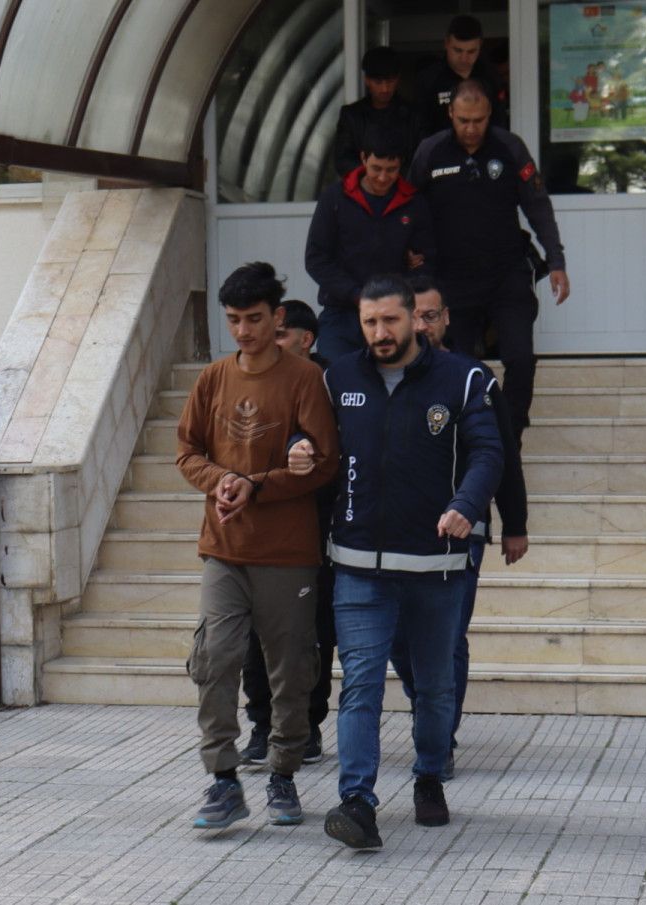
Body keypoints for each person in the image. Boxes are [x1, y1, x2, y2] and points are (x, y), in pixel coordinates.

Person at [316, 274, 503, 849]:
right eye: (369, 322)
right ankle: (357, 802)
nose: (380, 332)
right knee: (361, 684)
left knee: (435, 686)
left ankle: (428, 777)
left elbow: (489, 451)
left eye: (390, 320)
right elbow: (316, 441)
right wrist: (299, 447)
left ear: (414, 320)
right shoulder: (338, 377)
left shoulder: (463, 379)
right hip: (358, 566)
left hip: (435, 567)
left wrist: (466, 505)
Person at [177, 262, 339, 831]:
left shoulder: (305, 379)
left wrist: (257, 485)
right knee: (215, 659)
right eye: (233, 320)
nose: (242, 330)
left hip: (288, 554)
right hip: (223, 548)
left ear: (277, 318)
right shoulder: (212, 379)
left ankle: (283, 774)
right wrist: (220, 479)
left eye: (253, 319)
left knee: (290, 670)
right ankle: (223, 779)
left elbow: (324, 463)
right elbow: (187, 451)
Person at [388, 275, 528, 781]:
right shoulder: (378, 377)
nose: (422, 326)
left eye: (431, 316)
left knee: (446, 637)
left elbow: (501, 453)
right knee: (397, 639)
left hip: (461, 530)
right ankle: (430, 706)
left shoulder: (473, 379)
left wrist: (515, 522)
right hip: (393, 532)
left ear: (446, 318)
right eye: (413, 317)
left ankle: (439, 736)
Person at [409, 79, 570, 444]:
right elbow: (409, 206)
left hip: (506, 273)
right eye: (463, 120)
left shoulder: (509, 147)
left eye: (478, 120)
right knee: (456, 364)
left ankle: (510, 438)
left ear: (489, 115)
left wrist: (556, 260)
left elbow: (537, 206)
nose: (471, 128)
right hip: (452, 279)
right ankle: (464, 439)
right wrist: (411, 253)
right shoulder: (430, 152)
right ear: (450, 113)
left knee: (521, 359)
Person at [240, 298, 336, 767]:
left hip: (315, 530)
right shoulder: (252, 381)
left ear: (306, 339)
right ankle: (262, 726)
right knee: (256, 633)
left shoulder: (332, 384)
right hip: (260, 528)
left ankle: (307, 727)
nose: (270, 342)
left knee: (310, 634)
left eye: (280, 334)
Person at [306, 126, 435, 363]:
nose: (383, 177)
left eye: (391, 170)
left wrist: (397, 294)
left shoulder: (414, 203)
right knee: (336, 375)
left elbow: (427, 261)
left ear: (401, 164)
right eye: (376, 168)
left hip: (396, 314)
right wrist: (358, 295)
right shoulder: (335, 198)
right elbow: (316, 259)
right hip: (342, 313)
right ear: (363, 158)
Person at [333, 46, 420, 178]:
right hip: (362, 187)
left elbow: (420, 159)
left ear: (398, 79)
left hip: (403, 187)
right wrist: (373, 178)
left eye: (390, 81)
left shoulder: (414, 115)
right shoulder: (352, 116)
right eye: (378, 82)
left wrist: (392, 177)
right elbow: (343, 160)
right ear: (367, 80)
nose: (385, 88)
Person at [414, 15, 507, 138]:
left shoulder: (491, 77)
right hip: (441, 148)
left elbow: (499, 124)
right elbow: (421, 128)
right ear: (446, 43)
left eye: (471, 51)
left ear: (480, 45)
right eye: (458, 50)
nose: (464, 58)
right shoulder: (429, 79)